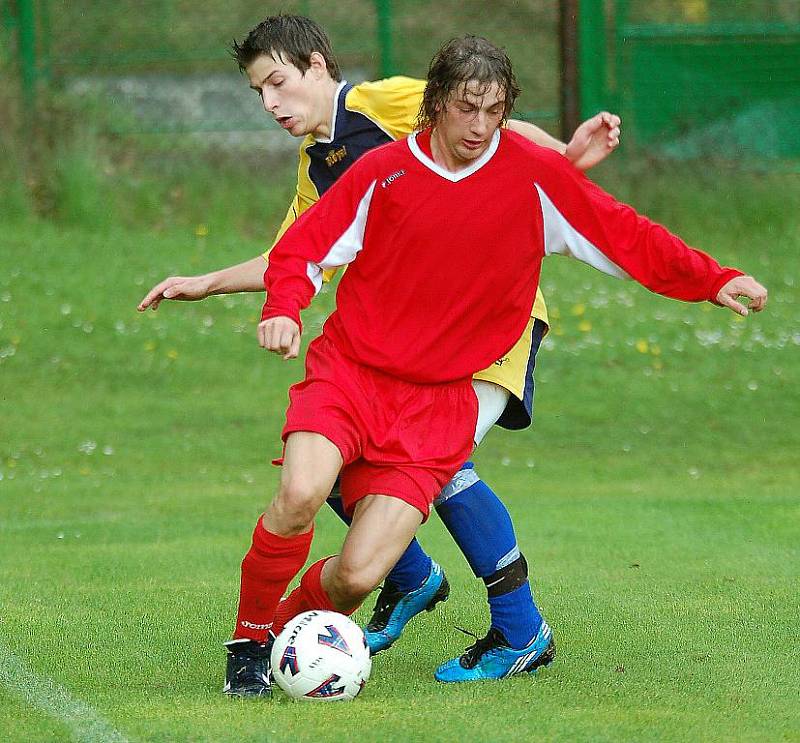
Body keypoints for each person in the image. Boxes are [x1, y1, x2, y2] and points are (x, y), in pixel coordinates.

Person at [222, 33, 767, 698]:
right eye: (466, 108)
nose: (480, 126)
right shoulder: (383, 171)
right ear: (434, 106)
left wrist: (712, 279)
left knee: (359, 574)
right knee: (303, 492)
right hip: (354, 373)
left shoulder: (533, 177)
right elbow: (302, 249)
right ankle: (250, 644)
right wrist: (282, 306)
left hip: (439, 402)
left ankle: (293, 634)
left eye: (494, 110)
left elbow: (623, 234)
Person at [137, 14, 623, 682]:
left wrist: (567, 153)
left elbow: (493, 127)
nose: (271, 103)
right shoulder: (319, 165)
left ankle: (519, 628)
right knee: (342, 458)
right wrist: (207, 282)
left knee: (439, 464)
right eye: (259, 93)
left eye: (278, 82)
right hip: (409, 336)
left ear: (316, 65)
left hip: (491, 325)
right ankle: (413, 576)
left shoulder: (380, 102)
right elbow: (296, 255)